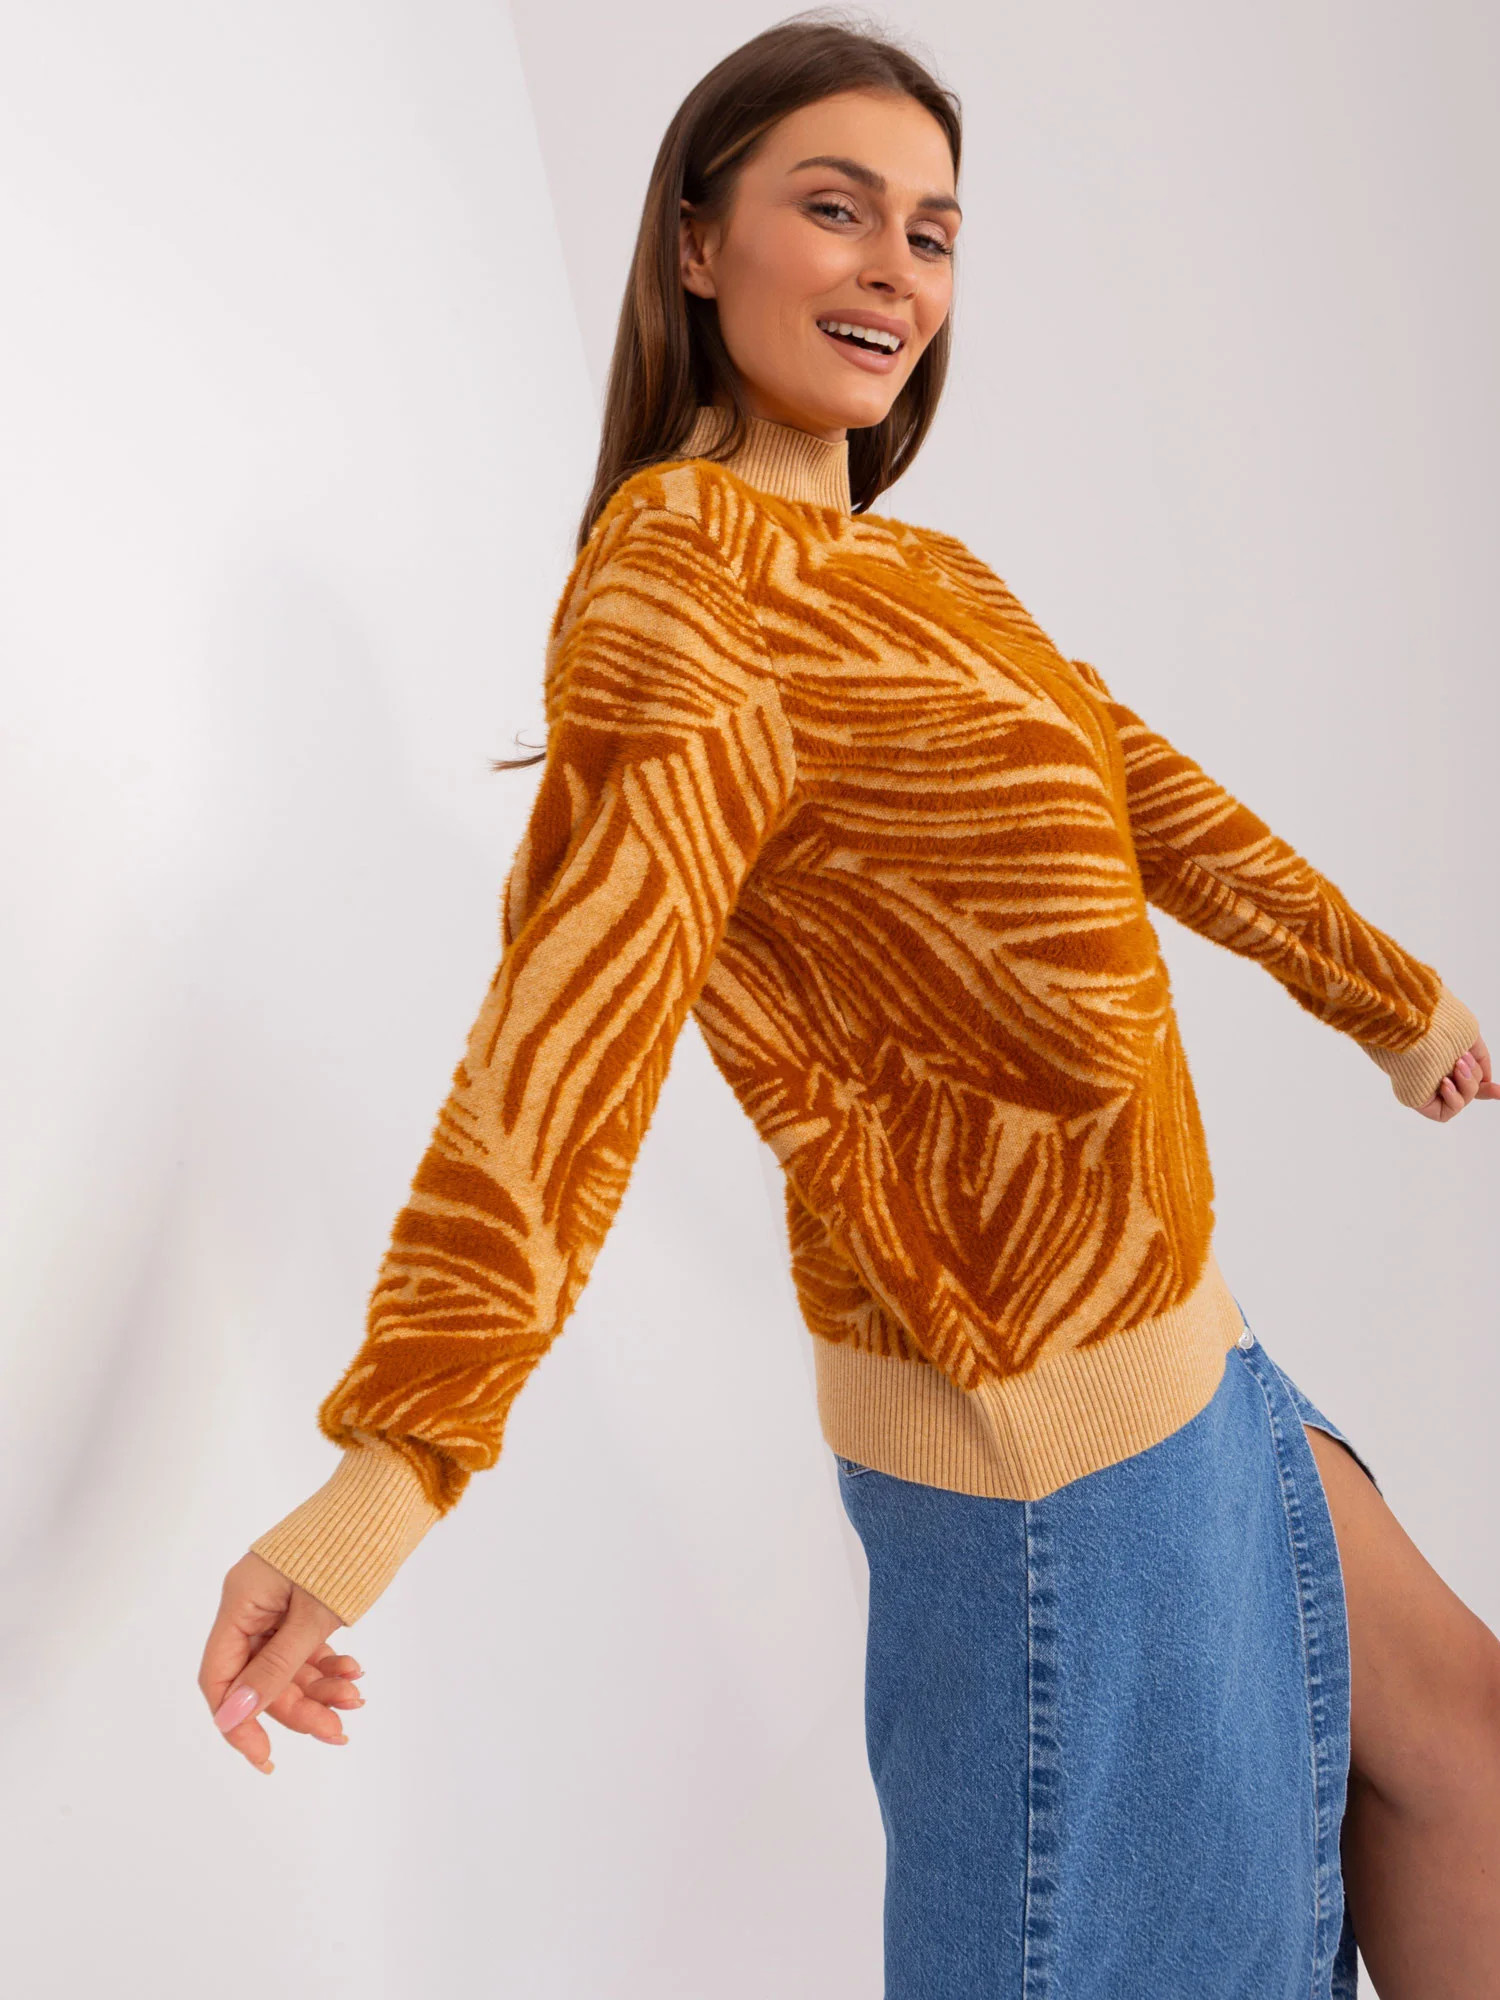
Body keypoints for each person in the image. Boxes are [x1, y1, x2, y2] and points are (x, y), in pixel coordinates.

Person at [198, 16, 1498, 1995]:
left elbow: (1146, 784)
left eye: (934, 231)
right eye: (837, 209)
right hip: (1045, 1439)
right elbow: (567, 1040)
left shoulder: (923, 576)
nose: (896, 267)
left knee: (1461, 1749)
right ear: (697, 243)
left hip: (1196, 1349)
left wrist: (1393, 1003)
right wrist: (388, 1478)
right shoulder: (680, 587)